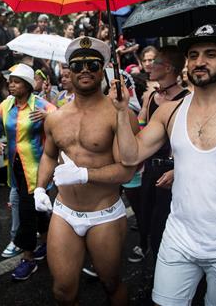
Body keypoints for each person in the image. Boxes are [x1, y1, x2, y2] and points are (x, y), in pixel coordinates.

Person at [111, 24, 216, 306]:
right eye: (193, 55)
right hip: (178, 241)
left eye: (210, 54)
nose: (199, 61)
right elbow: (131, 157)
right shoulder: (170, 111)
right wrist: (120, 112)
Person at [34, 36, 138, 305]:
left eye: (92, 64)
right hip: (65, 211)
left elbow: (127, 171)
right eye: (77, 66)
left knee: (110, 283)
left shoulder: (120, 114)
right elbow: (48, 155)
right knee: (62, 291)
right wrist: (38, 188)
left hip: (104, 214)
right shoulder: (56, 117)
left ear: (103, 69)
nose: (85, 71)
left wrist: (85, 174)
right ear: (68, 70)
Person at [0, 63, 56, 280]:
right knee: (38, 209)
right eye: (10, 82)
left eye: (15, 82)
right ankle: (47, 243)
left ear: (27, 85)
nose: (11, 85)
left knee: (26, 212)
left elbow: (63, 120)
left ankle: (28, 258)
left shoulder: (41, 104)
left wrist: (48, 117)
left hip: (36, 167)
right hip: (15, 167)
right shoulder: (6, 105)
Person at [135, 46, 190, 263]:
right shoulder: (151, 97)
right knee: (146, 217)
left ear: (167, 68)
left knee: (165, 224)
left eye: (154, 61)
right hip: (150, 167)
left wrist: (178, 169)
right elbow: (141, 126)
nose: (148, 65)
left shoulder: (187, 99)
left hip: (173, 172)